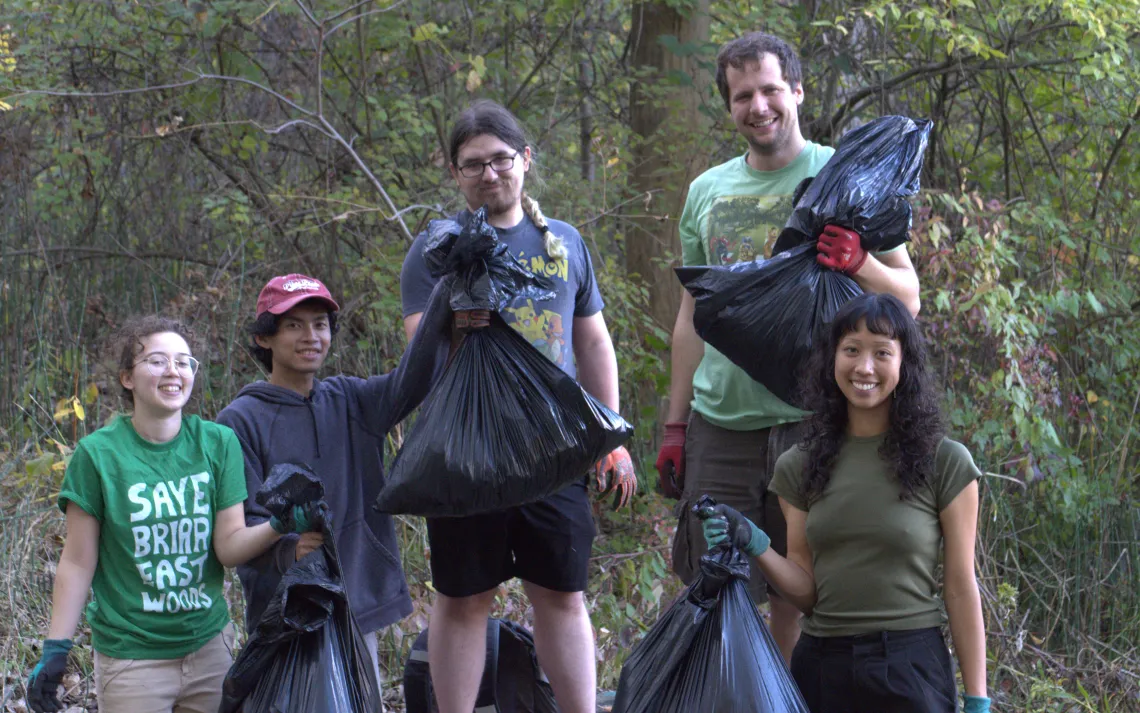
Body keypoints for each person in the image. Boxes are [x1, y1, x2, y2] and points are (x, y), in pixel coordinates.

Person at [655, 31, 922, 662]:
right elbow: (692, 319)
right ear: (729, 108)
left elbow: (907, 296)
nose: (759, 105)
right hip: (722, 425)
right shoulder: (706, 192)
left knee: (806, 593)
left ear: (797, 91)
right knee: (712, 586)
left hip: (818, 420)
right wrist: (674, 426)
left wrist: (862, 264)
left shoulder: (844, 173)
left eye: (771, 89)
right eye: (742, 95)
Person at [400, 100, 636, 713]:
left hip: (552, 450)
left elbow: (592, 341)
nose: (489, 173)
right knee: (463, 597)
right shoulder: (436, 248)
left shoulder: (564, 242)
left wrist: (606, 437)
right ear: (455, 173)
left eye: (501, 159)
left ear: (525, 160)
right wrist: (456, 313)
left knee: (560, 592)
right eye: (473, 164)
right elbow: (418, 348)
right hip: (466, 452)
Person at [699, 293, 990, 713]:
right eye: (851, 350)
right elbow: (807, 594)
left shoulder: (945, 462)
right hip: (822, 668)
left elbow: (961, 587)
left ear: (904, 364)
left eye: (882, 352)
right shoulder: (799, 466)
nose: (864, 367)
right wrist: (754, 541)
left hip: (910, 668)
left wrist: (977, 698)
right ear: (832, 359)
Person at [25, 316, 319, 713]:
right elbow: (77, 562)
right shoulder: (98, 455)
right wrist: (56, 648)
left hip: (210, 650)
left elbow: (229, 547)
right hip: (132, 659)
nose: (173, 371)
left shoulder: (218, 443)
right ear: (128, 378)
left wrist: (278, 525)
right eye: (157, 361)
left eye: (183, 362)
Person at [216, 272, 479, 707]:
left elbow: (413, 379)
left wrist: (446, 298)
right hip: (286, 615)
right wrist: (289, 549)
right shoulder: (239, 420)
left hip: (357, 605)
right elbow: (242, 525)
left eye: (320, 324)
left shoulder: (353, 400)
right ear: (265, 339)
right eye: (294, 325)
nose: (310, 336)